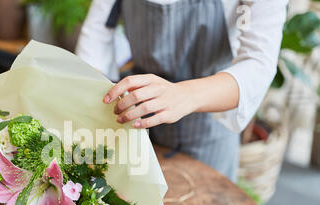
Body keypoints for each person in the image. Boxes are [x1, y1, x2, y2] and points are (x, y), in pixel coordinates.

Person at [76, 0, 288, 181]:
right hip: (135, 119)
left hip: (209, 125)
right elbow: (97, 35)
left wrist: (184, 94)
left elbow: (258, 61)